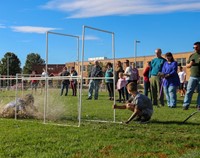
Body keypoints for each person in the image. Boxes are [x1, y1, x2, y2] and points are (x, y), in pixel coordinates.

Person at [183, 42, 200, 110]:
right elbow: (187, 65)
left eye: (196, 47)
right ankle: (186, 105)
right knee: (189, 91)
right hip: (192, 76)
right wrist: (190, 64)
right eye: (194, 47)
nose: (195, 48)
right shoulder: (192, 55)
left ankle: (199, 105)